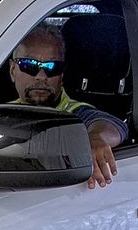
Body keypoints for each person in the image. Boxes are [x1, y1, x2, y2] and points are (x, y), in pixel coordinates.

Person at [8, 26, 127, 189]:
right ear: (13, 70)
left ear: (62, 75)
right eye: (29, 64)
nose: (41, 76)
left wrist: (94, 139)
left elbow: (110, 126)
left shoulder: (75, 113)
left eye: (52, 67)